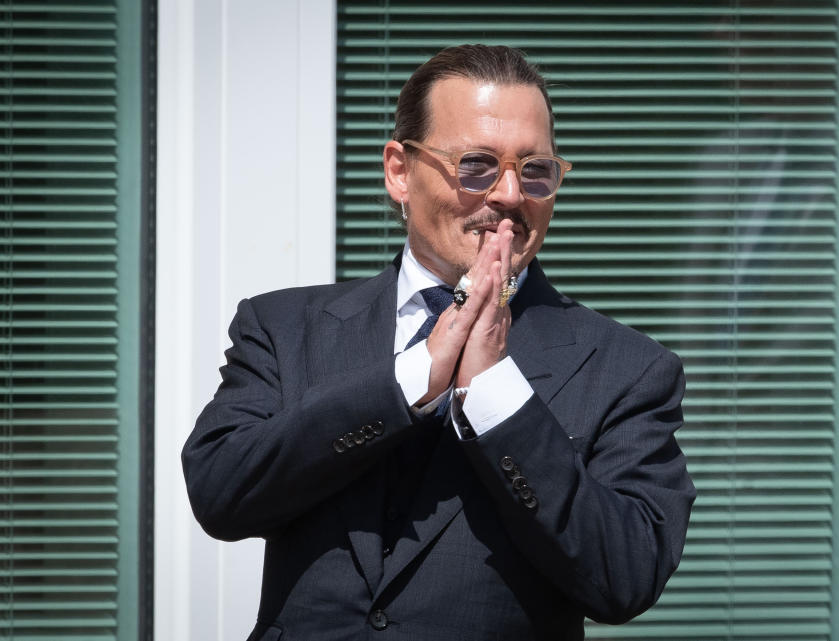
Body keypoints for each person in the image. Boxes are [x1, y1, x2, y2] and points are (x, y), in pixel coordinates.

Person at [182, 44, 695, 641]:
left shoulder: (628, 368)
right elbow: (220, 492)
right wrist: (408, 379)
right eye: (476, 164)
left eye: (535, 171)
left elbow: (626, 577)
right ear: (400, 171)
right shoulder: (285, 326)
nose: (508, 194)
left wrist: (499, 396)